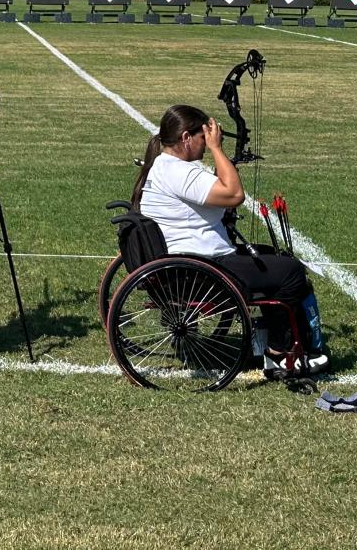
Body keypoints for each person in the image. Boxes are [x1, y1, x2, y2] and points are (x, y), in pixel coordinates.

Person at [133, 104, 328, 371]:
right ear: (186, 138)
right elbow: (235, 195)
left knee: (274, 258)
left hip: (193, 261)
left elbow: (214, 193)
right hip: (202, 268)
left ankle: (282, 341)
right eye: (203, 137)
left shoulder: (166, 167)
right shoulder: (179, 172)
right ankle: (279, 351)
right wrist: (217, 149)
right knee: (290, 271)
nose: (206, 143)